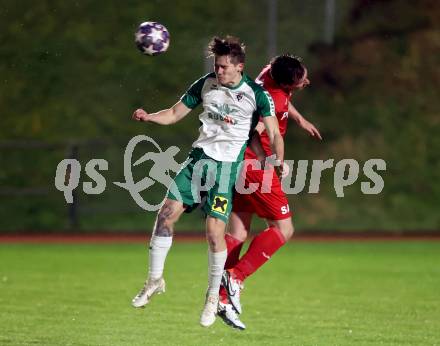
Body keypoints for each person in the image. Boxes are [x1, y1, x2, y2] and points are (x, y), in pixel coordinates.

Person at [130, 36, 285, 328]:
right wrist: (149, 117)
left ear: (240, 66)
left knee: (214, 233)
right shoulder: (205, 84)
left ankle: (213, 297)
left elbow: (274, 134)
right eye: (217, 66)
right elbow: (175, 113)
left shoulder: (256, 94)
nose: (220, 71)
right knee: (165, 214)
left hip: (226, 169)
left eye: (225, 67)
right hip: (197, 161)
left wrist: (277, 161)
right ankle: (154, 280)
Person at [217, 54, 322, 330]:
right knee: (284, 229)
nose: (305, 82)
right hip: (256, 165)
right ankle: (235, 277)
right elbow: (256, 128)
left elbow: (284, 102)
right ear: (287, 83)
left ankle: (220, 294)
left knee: (238, 232)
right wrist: (274, 163)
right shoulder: (270, 101)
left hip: (238, 163)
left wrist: (299, 119)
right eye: (300, 82)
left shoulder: (269, 73)